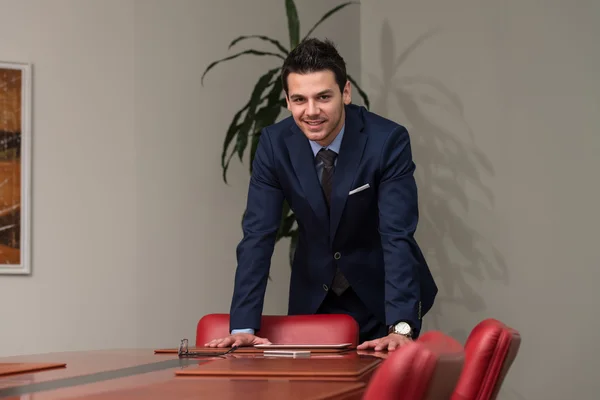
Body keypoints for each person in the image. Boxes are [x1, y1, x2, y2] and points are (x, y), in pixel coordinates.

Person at [206, 38, 438, 352]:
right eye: (299, 99)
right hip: (313, 297)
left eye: (323, 97)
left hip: (383, 296)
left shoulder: (387, 141)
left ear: (345, 92)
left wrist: (401, 327)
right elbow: (257, 235)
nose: (311, 111)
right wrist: (244, 325)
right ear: (287, 101)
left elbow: (397, 235)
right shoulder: (274, 145)